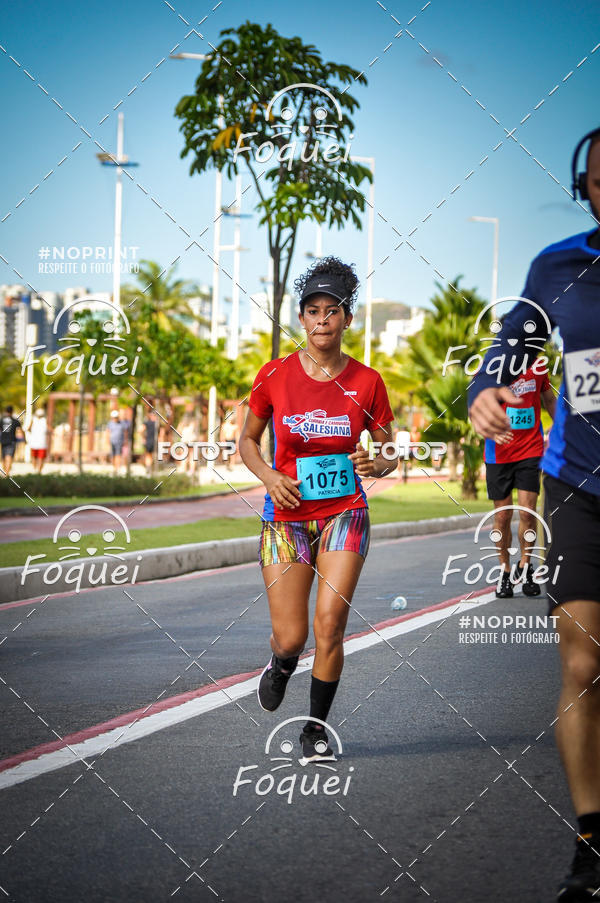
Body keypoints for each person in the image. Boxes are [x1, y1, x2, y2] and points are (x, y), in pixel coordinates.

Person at [469, 128, 600, 902]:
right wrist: (485, 385)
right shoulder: (556, 266)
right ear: (584, 185)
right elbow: (508, 346)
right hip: (580, 485)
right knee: (582, 662)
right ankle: (591, 842)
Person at [239, 256, 397, 763]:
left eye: (333, 310)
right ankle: (282, 664)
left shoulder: (368, 381)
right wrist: (270, 477)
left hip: (345, 511)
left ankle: (314, 729)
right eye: (313, 310)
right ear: (301, 319)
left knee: (330, 624)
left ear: (348, 319)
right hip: (285, 515)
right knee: (292, 635)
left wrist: (378, 461)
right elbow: (246, 441)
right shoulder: (275, 375)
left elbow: (389, 450)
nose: (323, 319)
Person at [482, 359, 555, 598]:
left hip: (530, 450)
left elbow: (550, 400)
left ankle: (525, 567)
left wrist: (562, 430)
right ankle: (504, 571)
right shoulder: (492, 366)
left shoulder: (539, 366)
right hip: (498, 452)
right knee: (502, 515)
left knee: (527, 512)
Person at [1, 405, 23, 476]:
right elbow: (20, 430)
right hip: (11, 441)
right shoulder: (15, 421)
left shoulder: (1, 420)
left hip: (3, 440)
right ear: (12, 411)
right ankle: (7, 473)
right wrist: (24, 439)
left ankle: (5, 471)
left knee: (4, 457)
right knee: (9, 456)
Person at [28, 408, 48, 473]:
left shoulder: (33, 420)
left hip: (34, 442)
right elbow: (49, 429)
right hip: (42, 442)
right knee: (40, 457)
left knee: (34, 456)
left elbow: (29, 428)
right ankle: (38, 470)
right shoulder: (45, 420)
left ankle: (35, 469)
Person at [107, 410, 127, 474]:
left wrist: (125, 440)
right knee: (113, 455)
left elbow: (125, 432)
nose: (115, 418)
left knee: (118, 455)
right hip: (112, 442)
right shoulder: (110, 423)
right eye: (114, 417)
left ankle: (117, 469)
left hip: (119, 442)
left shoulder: (122, 423)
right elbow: (108, 432)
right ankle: (114, 468)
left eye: (116, 417)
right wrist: (107, 440)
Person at [142, 410, 158, 474]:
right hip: (152, 441)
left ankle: (149, 468)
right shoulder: (157, 424)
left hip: (149, 441)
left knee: (149, 455)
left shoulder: (147, 422)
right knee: (151, 455)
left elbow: (140, 430)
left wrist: (143, 437)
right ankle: (150, 469)